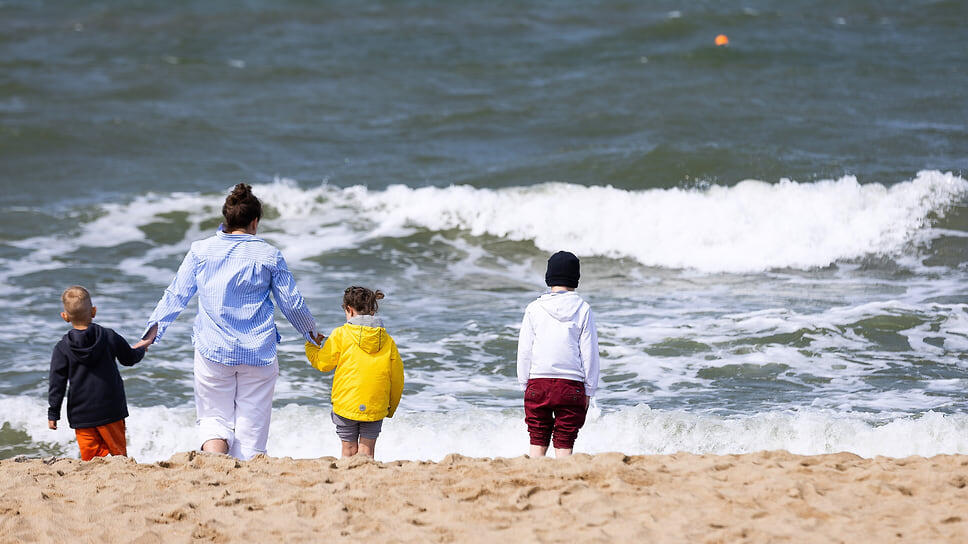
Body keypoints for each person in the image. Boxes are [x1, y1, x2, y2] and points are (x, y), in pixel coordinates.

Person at [144, 183, 319, 460]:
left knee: (214, 418)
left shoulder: (201, 251)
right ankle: (244, 475)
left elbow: (176, 294)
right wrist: (311, 334)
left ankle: (216, 468)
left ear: (226, 219)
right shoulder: (269, 255)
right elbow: (291, 303)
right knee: (252, 426)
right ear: (254, 222)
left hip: (213, 351)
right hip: (258, 353)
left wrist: (153, 332)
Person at [48, 286, 157, 461]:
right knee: (119, 456)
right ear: (93, 311)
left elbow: (57, 383)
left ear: (65, 317)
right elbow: (129, 358)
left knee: (91, 460)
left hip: (81, 413)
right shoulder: (108, 336)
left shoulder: (62, 348)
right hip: (111, 410)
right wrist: (143, 347)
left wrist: (53, 413)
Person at [517, 251, 600, 458]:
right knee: (564, 439)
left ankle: (536, 478)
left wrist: (524, 384)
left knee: (537, 437)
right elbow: (589, 353)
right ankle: (564, 479)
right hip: (571, 386)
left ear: (548, 277)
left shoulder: (534, 308)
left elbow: (524, 350)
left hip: (538, 383)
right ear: (576, 279)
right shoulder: (583, 309)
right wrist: (589, 390)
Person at [305, 286, 403, 458]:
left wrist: (312, 345)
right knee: (367, 452)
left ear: (349, 310)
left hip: (346, 403)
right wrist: (390, 408)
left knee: (348, 450)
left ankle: (348, 483)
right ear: (372, 311)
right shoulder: (388, 340)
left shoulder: (341, 334)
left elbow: (322, 363)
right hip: (375, 404)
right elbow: (397, 378)